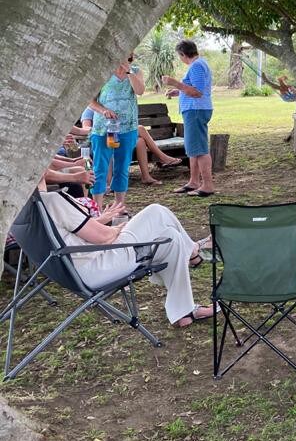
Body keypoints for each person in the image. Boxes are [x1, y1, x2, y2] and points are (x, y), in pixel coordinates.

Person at [38, 185, 214, 327]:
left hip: (73, 270)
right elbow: (104, 237)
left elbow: (69, 235)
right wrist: (118, 227)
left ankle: (183, 312)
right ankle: (193, 250)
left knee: (171, 238)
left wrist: (103, 221)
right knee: (156, 211)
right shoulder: (52, 200)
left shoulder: (30, 205)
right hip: (98, 265)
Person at [88, 54, 145, 212]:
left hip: (127, 128)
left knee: (122, 166)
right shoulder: (101, 73)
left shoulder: (135, 71)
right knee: (100, 167)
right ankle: (97, 209)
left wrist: (129, 72)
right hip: (103, 129)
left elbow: (140, 91)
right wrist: (104, 110)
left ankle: (119, 206)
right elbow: (90, 100)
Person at [162, 39, 215, 197]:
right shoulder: (198, 64)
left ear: (183, 54)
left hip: (196, 110)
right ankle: (194, 181)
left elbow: (197, 92)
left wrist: (175, 83)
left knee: (200, 149)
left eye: (180, 56)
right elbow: (192, 88)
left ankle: (207, 185)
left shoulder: (197, 65)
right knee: (193, 148)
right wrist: (177, 91)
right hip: (193, 110)